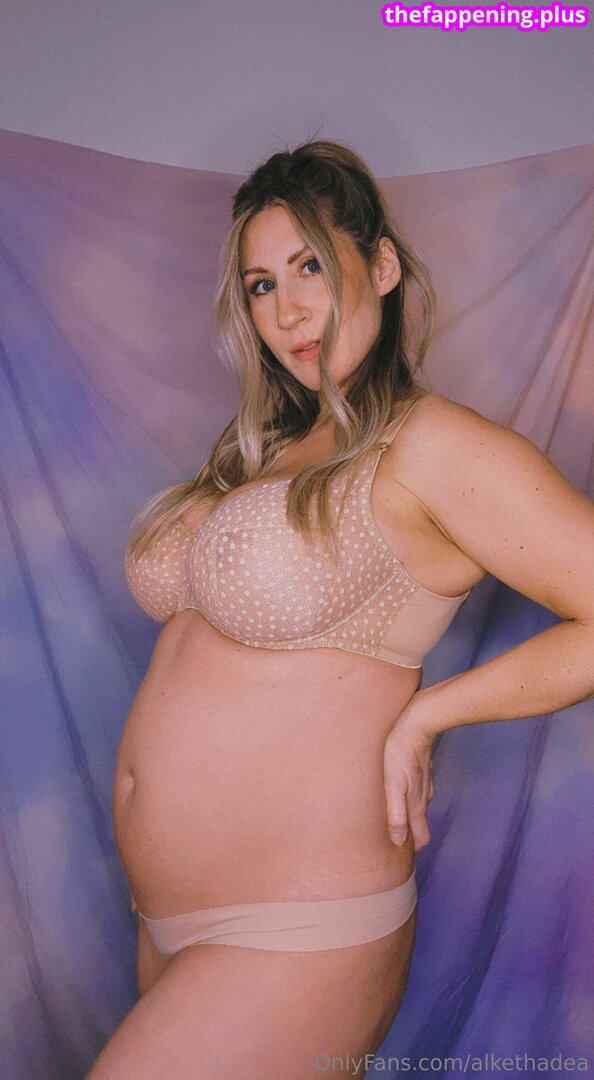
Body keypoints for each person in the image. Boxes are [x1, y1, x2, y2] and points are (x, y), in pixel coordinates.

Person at [87, 140, 594, 1079]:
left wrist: (429, 715)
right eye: (262, 284)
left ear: (383, 266)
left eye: (311, 266)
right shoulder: (266, 446)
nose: (287, 310)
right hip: (169, 923)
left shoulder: (427, 444)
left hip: (297, 930)